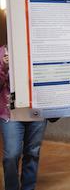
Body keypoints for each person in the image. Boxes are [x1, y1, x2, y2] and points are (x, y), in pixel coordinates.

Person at [0, 44, 47, 190]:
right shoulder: (2, 52)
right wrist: (4, 67)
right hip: (10, 112)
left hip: (36, 110)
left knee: (32, 153)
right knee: (11, 155)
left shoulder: (40, 47)